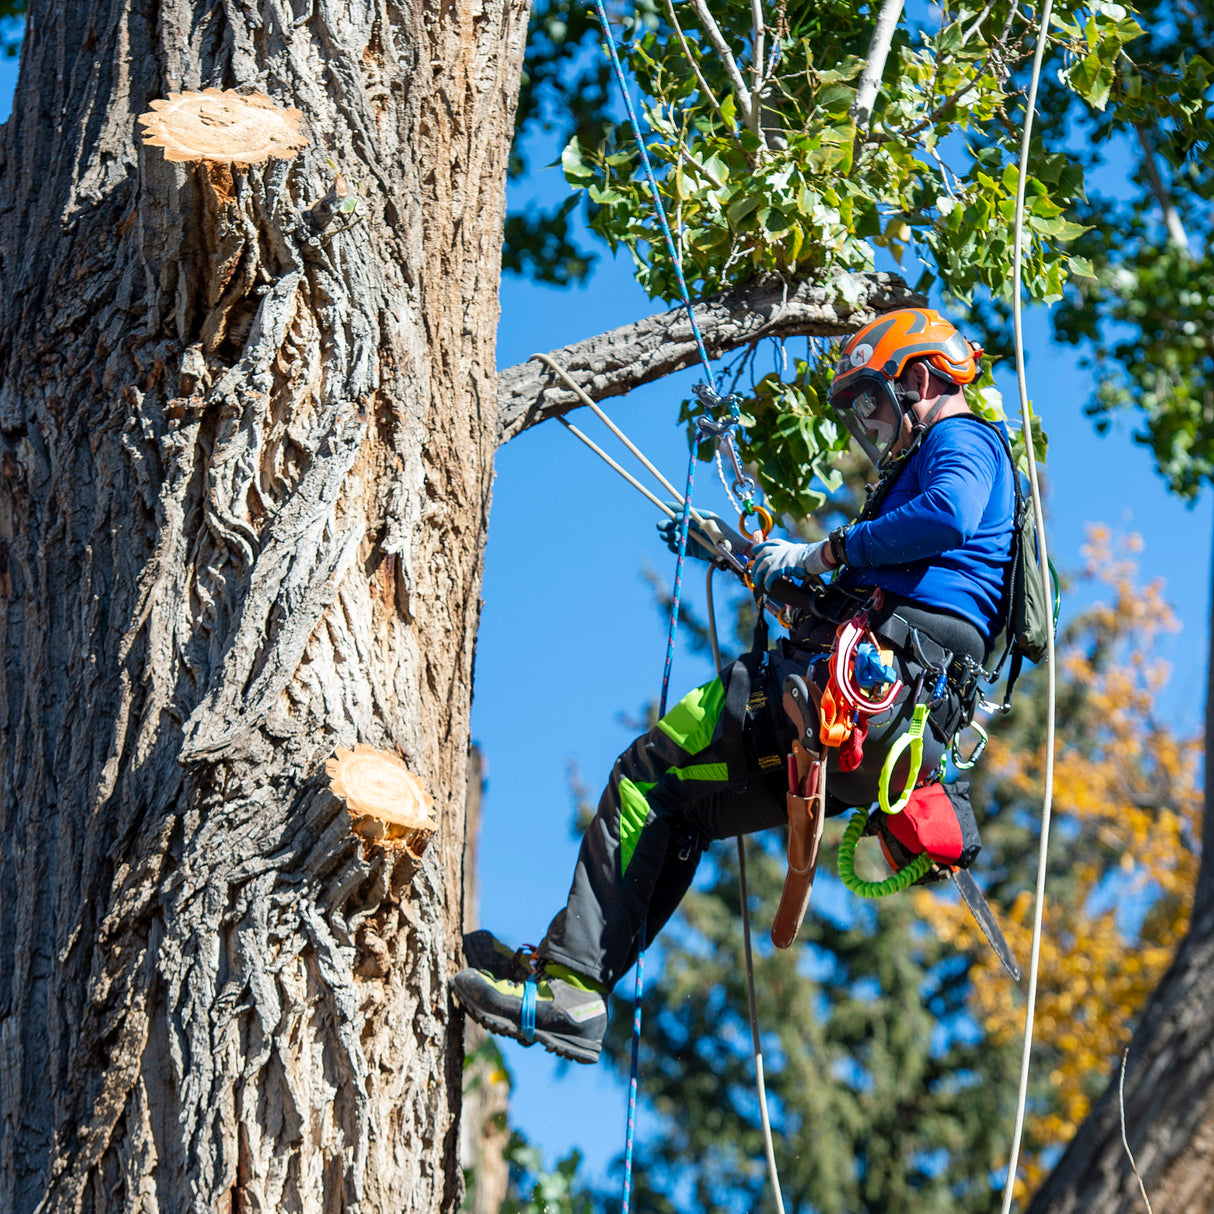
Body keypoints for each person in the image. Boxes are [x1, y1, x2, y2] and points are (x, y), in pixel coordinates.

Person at [453, 307, 1016, 1064]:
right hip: (866, 720)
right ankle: (573, 983)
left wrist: (825, 551)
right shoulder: (920, 505)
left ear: (919, 377)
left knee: (645, 774)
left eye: (874, 404)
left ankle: (572, 986)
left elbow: (948, 514)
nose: (871, 428)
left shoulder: (964, 440)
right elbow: (866, 591)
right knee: (679, 810)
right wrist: (752, 558)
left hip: (852, 696)